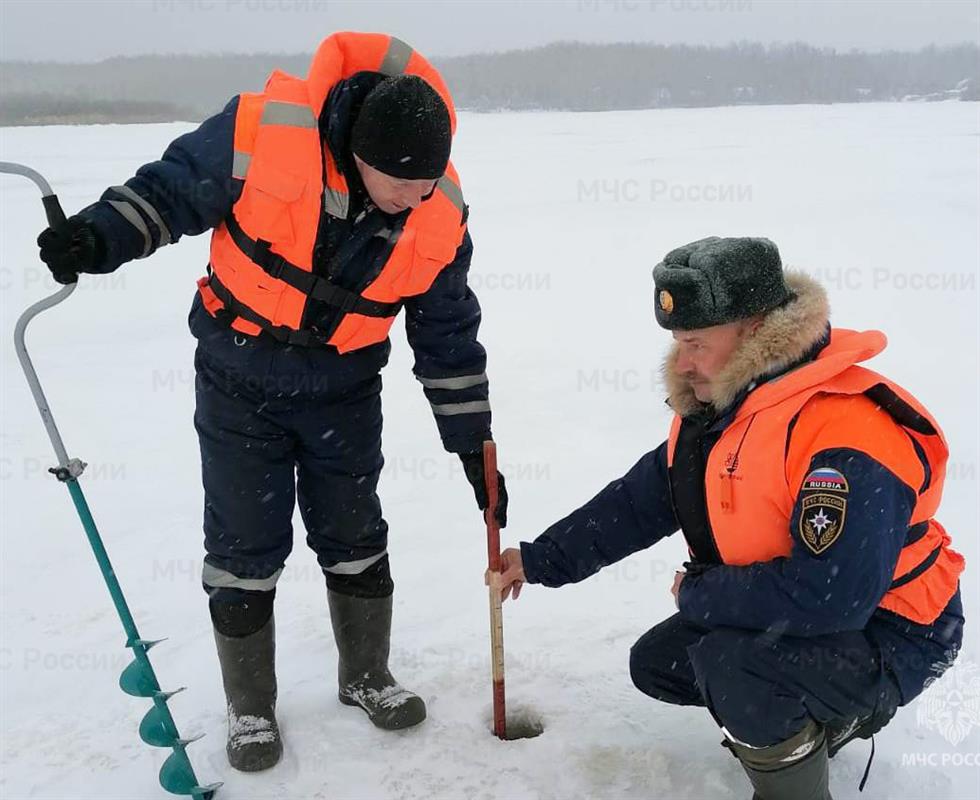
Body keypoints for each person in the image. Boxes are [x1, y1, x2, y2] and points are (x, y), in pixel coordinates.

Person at [37, 31, 508, 772]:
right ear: (359, 152)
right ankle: (251, 706)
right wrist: (96, 238)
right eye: (401, 187)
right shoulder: (264, 132)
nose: (415, 201)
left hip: (344, 389)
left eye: (426, 186)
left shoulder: (439, 211)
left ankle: (366, 675)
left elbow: (448, 333)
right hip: (238, 379)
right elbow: (169, 191)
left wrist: (472, 450)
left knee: (355, 533)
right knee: (243, 544)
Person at [487, 237, 964, 800]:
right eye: (676, 343)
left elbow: (831, 597)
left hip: (897, 629)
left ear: (756, 330)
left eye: (695, 343)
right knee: (662, 661)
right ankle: (810, 723)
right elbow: (636, 505)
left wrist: (699, 592)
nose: (681, 363)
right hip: (819, 614)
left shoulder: (845, 435)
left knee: (734, 667)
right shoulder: (724, 412)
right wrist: (539, 560)